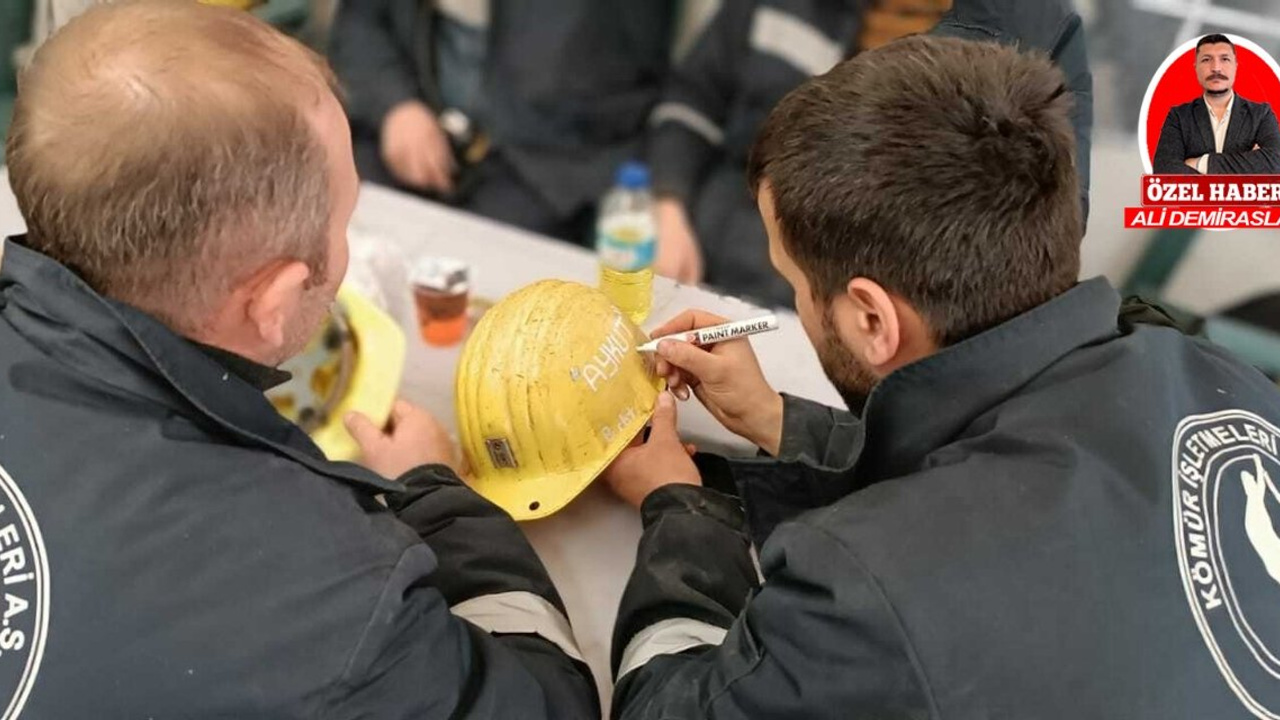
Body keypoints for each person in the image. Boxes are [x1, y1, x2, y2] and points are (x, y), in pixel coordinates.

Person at [605, 35, 1280, 719]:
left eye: (797, 286)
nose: (799, 308)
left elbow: (668, 710)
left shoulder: (869, 594)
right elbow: (990, 478)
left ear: (872, 317)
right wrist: (777, 421)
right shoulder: (1218, 376)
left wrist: (677, 508)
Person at [0, 2, 596, 717]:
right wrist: (436, 494)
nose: (348, 242)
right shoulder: (339, 615)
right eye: (345, 221)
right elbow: (548, 702)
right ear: (273, 301)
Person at [649, 0, 1091, 308]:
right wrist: (669, 209)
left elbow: (1033, 231)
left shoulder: (1026, 31)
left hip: (854, 310)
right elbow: (693, 98)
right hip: (705, 255)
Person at [329, 0, 675, 245]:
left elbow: (628, 87)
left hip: (544, 161)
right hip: (412, 118)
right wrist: (396, 105)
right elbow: (361, 22)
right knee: (338, 221)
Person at [1153, 33, 1280, 175]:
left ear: (1236, 66)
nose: (1216, 68)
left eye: (1224, 59)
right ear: (1196, 68)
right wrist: (1249, 163)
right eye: (1207, 60)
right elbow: (1164, 169)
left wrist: (1201, 163)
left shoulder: (1261, 114)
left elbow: (1275, 161)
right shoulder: (1179, 116)